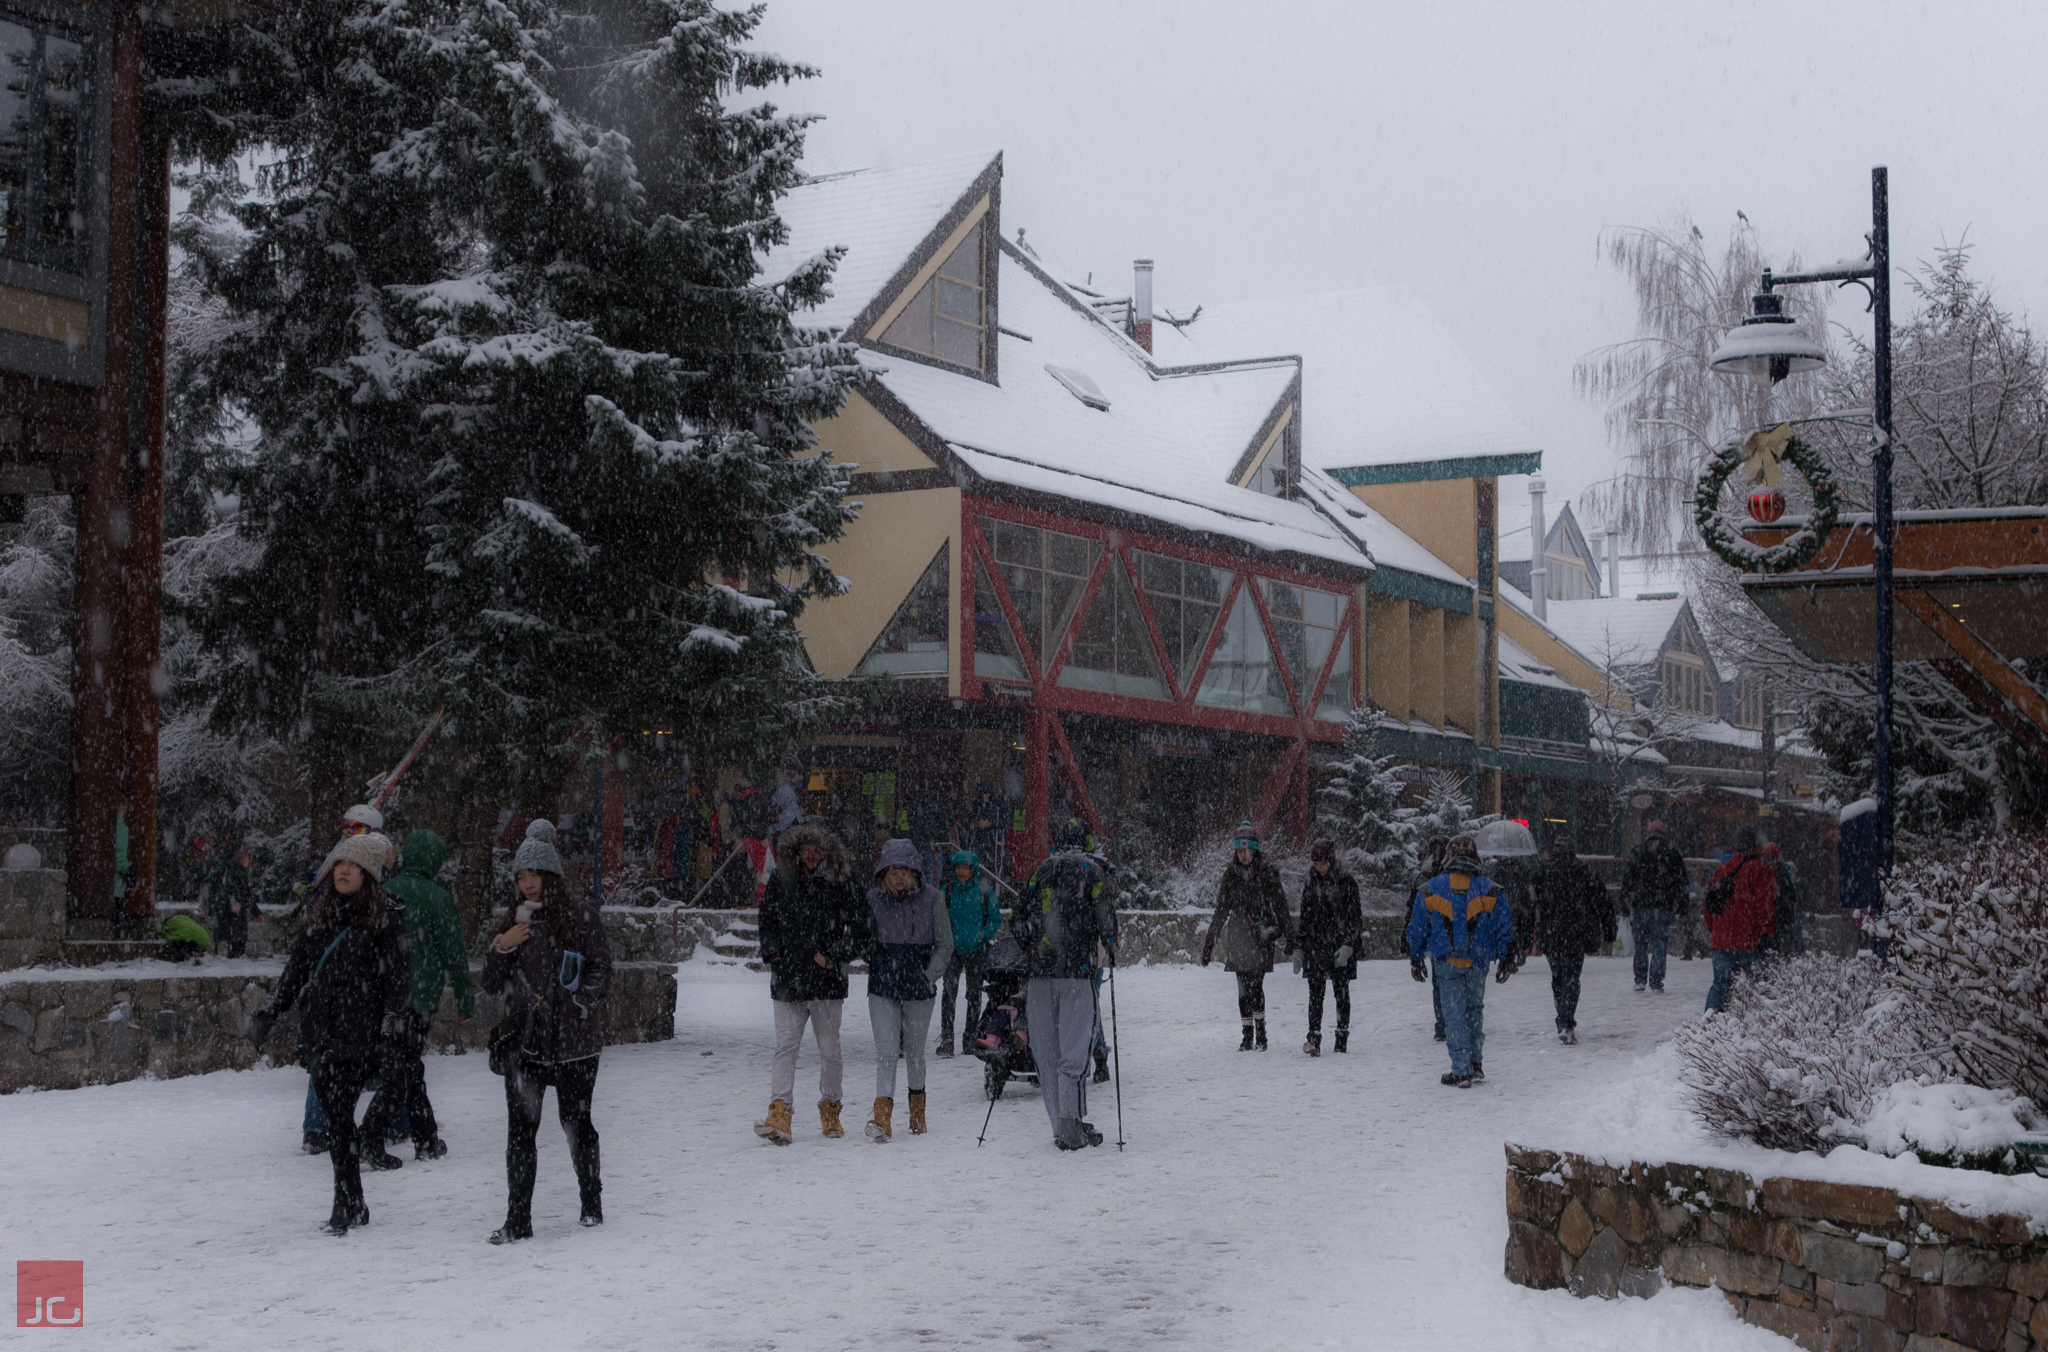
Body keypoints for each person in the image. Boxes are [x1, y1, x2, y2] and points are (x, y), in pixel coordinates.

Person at [247, 833, 407, 1234]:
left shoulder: (384, 918)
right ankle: (355, 1202)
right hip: (321, 1033)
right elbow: (296, 969)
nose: (343, 870)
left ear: (368, 873)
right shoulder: (319, 915)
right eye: (339, 864)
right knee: (339, 1122)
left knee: (339, 1118)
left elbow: (397, 982)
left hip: (360, 1034)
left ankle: (345, 1203)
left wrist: (389, 1028)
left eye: (352, 865)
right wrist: (271, 1009)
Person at [481, 820, 613, 1243]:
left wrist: (581, 1002)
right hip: (527, 1045)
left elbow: (601, 968)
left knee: (578, 1126)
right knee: (521, 1133)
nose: (527, 884)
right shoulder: (513, 921)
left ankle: (591, 1204)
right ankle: (518, 1219)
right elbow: (489, 983)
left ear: (550, 876)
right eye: (521, 876)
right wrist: (502, 946)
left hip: (575, 1046)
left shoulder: (581, 916)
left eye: (534, 875)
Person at [361, 830, 473, 1162]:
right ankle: (371, 1135)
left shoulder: (384, 891)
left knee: (407, 1067)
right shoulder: (437, 898)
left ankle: (426, 1138)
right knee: (404, 1068)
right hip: (419, 995)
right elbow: (454, 953)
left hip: (383, 994)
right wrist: (465, 999)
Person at [753, 820, 865, 1144]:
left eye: (816, 848)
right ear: (796, 850)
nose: (811, 854)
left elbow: (860, 928)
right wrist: (774, 954)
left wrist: (831, 957)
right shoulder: (782, 878)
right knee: (784, 1048)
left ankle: (831, 1110)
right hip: (788, 978)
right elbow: (767, 919)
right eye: (806, 848)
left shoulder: (841, 881)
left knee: (830, 1050)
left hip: (826, 982)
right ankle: (779, 1112)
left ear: (826, 850)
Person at [1015, 819, 1117, 1151]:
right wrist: (1112, 944)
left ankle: (1061, 1125)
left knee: (1046, 1053)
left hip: (1040, 975)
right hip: (1077, 970)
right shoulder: (1093, 872)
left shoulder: (1039, 872)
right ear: (1086, 842)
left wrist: (1033, 945)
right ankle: (1072, 1122)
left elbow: (1017, 918)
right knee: (1075, 1048)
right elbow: (1106, 918)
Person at [1406, 833, 1516, 1088]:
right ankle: (1476, 1064)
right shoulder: (1491, 889)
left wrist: (1416, 958)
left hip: (1447, 960)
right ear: (1476, 856)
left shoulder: (1431, 888)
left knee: (1453, 1014)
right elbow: (1504, 928)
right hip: (1478, 960)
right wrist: (1506, 959)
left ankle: (1461, 1068)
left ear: (1448, 856)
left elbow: (1418, 928)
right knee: (1474, 1010)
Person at [860, 838, 952, 1143]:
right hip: (883, 987)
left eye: (903, 871)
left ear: (914, 871)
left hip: (918, 989)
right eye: (892, 871)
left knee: (914, 1055)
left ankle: (917, 1113)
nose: (898, 877)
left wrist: (929, 976)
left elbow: (945, 944)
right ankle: (882, 1117)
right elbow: (862, 936)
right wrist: (868, 954)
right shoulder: (873, 899)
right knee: (886, 1054)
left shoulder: (933, 899)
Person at [1199, 822, 1293, 1051]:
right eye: (1239, 851)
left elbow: (1280, 905)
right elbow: (1221, 911)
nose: (1243, 855)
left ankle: (1261, 1033)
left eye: (1247, 850)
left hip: (1261, 936)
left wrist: (1291, 936)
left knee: (1255, 985)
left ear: (1255, 850)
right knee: (1242, 988)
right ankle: (1246, 1035)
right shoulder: (1230, 875)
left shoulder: (1268, 872)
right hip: (1238, 937)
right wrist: (1209, 943)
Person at [1526, 833, 1616, 1045]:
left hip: (1552, 932)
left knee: (1558, 976)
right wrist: (1609, 931)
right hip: (1577, 932)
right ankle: (1566, 1020)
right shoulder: (1585, 872)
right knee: (1572, 977)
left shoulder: (1543, 873)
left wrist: (1525, 935)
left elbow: (1529, 905)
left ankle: (1563, 1019)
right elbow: (1604, 903)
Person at [1294, 837, 1363, 1056]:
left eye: (1323, 863)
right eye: (1316, 864)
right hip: (1315, 945)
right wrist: (1299, 946)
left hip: (1339, 945)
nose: (1320, 868)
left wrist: (1348, 945)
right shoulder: (1310, 883)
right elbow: (1304, 918)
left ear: (1331, 861)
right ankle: (1313, 1037)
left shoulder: (1347, 882)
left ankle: (1341, 1038)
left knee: (1341, 993)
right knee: (1315, 994)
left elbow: (1355, 917)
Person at [1703, 825, 1777, 1013]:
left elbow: (1709, 904)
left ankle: (1709, 1027)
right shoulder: (1761, 871)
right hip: (1750, 940)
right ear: (1754, 846)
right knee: (1761, 988)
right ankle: (1763, 1027)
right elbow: (1765, 905)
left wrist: (1715, 930)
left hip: (1722, 941)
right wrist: (1766, 931)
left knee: (1720, 986)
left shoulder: (1722, 869)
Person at [937, 849, 1002, 1058]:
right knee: (948, 992)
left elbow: (994, 918)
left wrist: (982, 936)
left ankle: (970, 1036)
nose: (962, 872)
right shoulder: (947, 891)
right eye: (958, 868)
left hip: (976, 949)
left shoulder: (984, 891)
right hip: (953, 949)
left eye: (965, 868)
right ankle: (947, 1037)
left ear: (973, 869)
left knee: (974, 994)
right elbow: (938, 918)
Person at [1619, 820, 1688, 993]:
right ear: (1664, 834)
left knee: (1640, 944)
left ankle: (1640, 979)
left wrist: (1625, 903)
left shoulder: (1638, 851)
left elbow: (1627, 880)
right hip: (1662, 905)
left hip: (1641, 905)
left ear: (1648, 833)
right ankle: (1656, 981)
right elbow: (1681, 880)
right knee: (1659, 944)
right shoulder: (1672, 852)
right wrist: (1681, 903)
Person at [1410, 836, 1451, 1041]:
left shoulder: (1425, 878)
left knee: (1439, 983)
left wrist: (1414, 951)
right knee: (1459, 985)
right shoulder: (1455, 878)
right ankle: (1453, 1022)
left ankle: (1442, 1023)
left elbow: (1414, 912)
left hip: (1438, 941)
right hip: (1457, 940)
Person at [724, 776, 777, 905]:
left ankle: (758, 898)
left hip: (745, 839)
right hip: (755, 839)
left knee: (757, 871)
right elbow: (754, 821)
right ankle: (764, 899)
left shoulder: (742, 800)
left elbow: (737, 823)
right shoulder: (754, 799)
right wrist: (762, 836)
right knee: (765, 869)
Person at [206, 841, 258, 958]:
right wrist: (232, 902)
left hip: (237, 922)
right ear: (240, 857)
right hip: (230, 921)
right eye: (247, 857)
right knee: (230, 953)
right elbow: (227, 894)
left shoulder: (240, 873)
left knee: (237, 949)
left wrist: (256, 912)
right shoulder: (229, 873)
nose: (249, 860)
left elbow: (247, 896)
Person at [1761, 842, 1803, 955]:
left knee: (1762, 955)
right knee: (1777, 951)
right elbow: (1791, 895)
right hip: (1780, 919)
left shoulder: (1760, 869)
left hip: (1763, 921)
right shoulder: (1783, 872)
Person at [968, 780, 1010, 876]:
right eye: (982, 793)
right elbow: (970, 819)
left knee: (994, 867)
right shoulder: (977, 804)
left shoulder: (999, 803)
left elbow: (1006, 820)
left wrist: (990, 824)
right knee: (979, 866)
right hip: (979, 840)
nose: (984, 796)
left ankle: (994, 886)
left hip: (994, 841)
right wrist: (975, 823)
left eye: (986, 793)